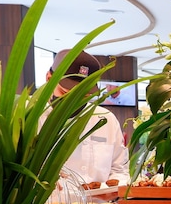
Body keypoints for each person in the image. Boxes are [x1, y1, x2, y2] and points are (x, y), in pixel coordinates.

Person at [47, 50, 130, 186]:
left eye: (83, 96)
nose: (74, 101)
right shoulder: (30, 119)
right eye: (66, 93)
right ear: (49, 78)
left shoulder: (106, 119)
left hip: (100, 199)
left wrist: (111, 189)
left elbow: (119, 170)